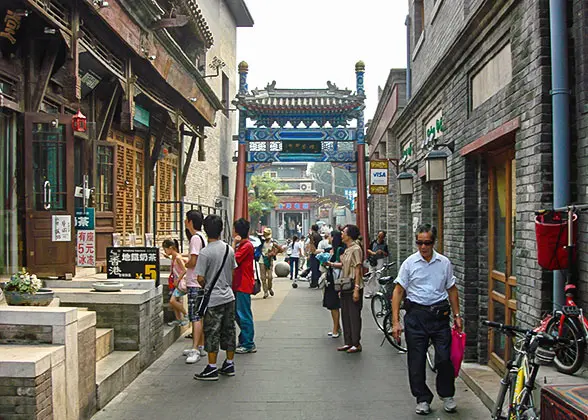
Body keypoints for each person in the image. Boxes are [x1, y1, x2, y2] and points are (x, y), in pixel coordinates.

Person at [391, 224, 462, 415]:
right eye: (419, 243)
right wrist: (396, 322)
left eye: (427, 243)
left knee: (444, 359)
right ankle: (422, 398)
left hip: (439, 317)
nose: (423, 247)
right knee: (416, 360)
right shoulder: (409, 264)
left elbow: (452, 289)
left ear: (434, 242)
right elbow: (398, 292)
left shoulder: (444, 263)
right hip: (416, 316)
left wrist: (457, 315)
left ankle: (447, 394)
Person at [194, 214, 237, 381]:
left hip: (213, 299)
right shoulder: (229, 249)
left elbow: (199, 278)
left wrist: (208, 285)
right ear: (221, 230)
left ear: (205, 230)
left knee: (212, 331)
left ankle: (212, 367)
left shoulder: (205, 253)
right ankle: (229, 362)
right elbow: (232, 271)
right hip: (229, 296)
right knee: (229, 330)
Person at [327, 224, 363, 353]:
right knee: (345, 315)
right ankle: (348, 342)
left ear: (349, 235)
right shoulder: (347, 249)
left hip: (353, 284)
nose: (341, 234)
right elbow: (343, 266)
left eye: (344, 232)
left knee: (354, 315)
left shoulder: (356, 249)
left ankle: (356, 343)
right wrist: (330, 264)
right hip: (344, 284)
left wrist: (357, 289)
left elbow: (358, 269)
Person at [183, 209, 207, 364]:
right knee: (199, 316)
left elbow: (194, 260)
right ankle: (201, 345)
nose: (185, 222)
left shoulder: (195, 239)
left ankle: (195, 349)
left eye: (186, 220)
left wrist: (183, 263)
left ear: (190, 222)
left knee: (195, 316)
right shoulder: (201, 237)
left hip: (194, 282)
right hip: (198, 281)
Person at [232, 218, 257, 354]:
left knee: (243, 314)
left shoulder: (246, 245)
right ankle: (244, 339)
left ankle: (248, 343)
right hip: (238, 283)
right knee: (238, 313)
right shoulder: (243, 245)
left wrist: (234, 242)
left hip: (243, 284)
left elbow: (232, 259)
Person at [322, 230, 344, 338]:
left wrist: (330, 263)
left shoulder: (340, 250)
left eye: (330, 236)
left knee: (334, 305)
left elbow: (343, 264)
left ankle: (336, 328)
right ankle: (337, 327)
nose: (329, 238)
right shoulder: (332, 250)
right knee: (331, 305)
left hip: (336, 280)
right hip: (330, 279)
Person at [163, 239, 189, 327]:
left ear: (170, 248)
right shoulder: (175, 257)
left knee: (172, 301)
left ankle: (186, 315)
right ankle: (179, 320)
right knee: (174, 302)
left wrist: (177, 280)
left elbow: (184, 270)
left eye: (165, 249)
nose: (165, 251)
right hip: (176, 282)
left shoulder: (178, 257)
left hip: (180, 283)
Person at [259, 228, 284, 298]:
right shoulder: (262, 241)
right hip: (262, 259)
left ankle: (269, 287)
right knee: (263, 277)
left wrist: (274, 253)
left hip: (269, 260)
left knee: (270, 277)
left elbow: (281, 250)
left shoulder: (273, 242)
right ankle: (265, 292)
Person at [365, 231, 389, 298]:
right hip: (372, 260)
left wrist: (382, 252)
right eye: (379, 236)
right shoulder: (373, 242)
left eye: (381, 237)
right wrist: (373, 253)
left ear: (383, 237)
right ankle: (369, 292)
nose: (379, 238)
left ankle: (377, 292)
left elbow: (387, 254)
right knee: (371, 276)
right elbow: (368, 249)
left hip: (380, 260)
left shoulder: (385, 244)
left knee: (378, 276)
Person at [308, 224, 322, 288]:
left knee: (313, 268)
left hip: (314, 252)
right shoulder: (319, 235)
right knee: (317, 268)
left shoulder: (312, 236)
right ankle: (318, 281)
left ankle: (314, 283)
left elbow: (311, 244)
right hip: (319, 252)